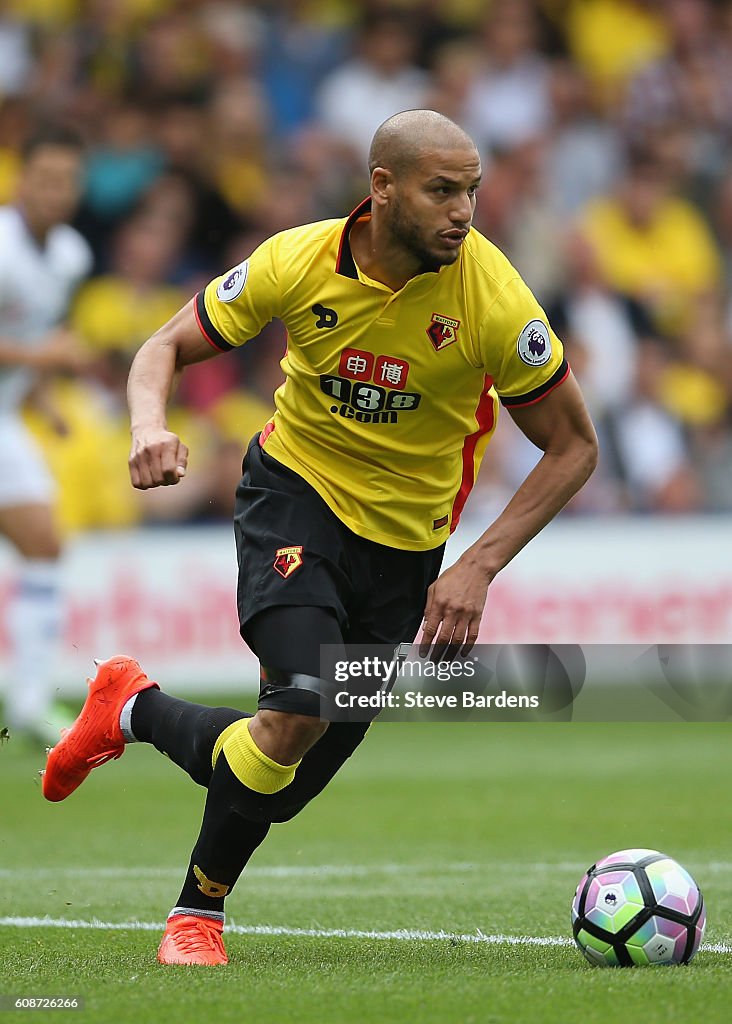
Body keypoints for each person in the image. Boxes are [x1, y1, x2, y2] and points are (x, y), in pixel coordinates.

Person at [42, 110, 598, 966]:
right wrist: (147, 425)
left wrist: (479, 565)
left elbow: (574, 445)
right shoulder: (297, 260)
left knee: (281, 778)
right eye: (442, 190)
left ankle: (131, 706)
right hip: (294, 496)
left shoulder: (495, 299)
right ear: (382, 189)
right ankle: (197, 917)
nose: (464, 211)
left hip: (407, 547)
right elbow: (164, 346)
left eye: (473, 191)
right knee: (298, 710)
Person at [0, 127, 92, 743]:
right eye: (46, 178)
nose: (56, 192)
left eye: (68, 181)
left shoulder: (70, 256)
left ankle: (30, 706)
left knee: (44, 543)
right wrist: (44, 359)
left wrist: (43, 398)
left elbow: (31, 337)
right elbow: (37, 344)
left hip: (5, 418)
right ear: (22, 178)